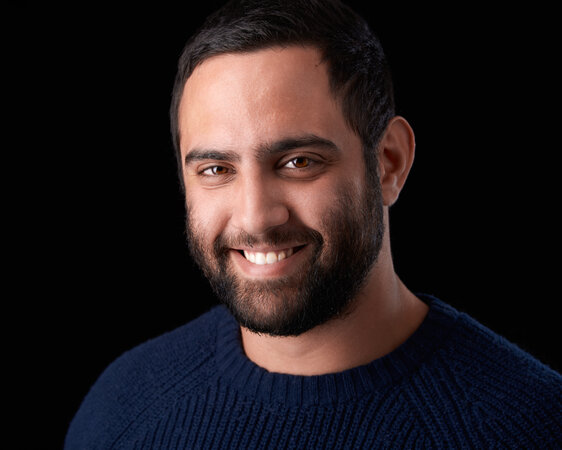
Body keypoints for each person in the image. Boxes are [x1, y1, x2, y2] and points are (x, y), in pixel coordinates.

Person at [65, 0, 561, 448]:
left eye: (298, 162)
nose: (256, 217)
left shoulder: (530, 427)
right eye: (216, 170)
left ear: (389, 162)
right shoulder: (123, 405)